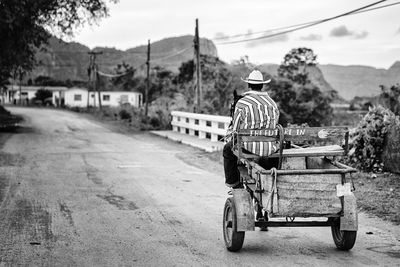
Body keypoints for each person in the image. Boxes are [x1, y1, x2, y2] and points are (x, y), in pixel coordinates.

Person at [223, 70, 280, 188]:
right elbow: (275, 124)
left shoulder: (242, 103)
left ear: (249, 85)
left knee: (227, 149)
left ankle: (233, 183)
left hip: (248, 147)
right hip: (271, 147)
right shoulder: (272, 103)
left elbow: (236, 129)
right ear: (262, 85)